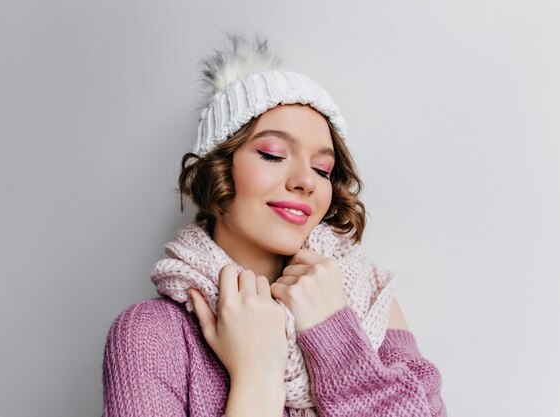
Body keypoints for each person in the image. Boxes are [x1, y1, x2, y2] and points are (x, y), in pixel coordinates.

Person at [101, 34, 447, 417]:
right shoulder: (150, 335)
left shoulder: (371, 306)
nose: (307, 180)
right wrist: (257, 375)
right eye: (273, 154)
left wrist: (334, 335)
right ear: (217, 170)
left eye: (322, 169)